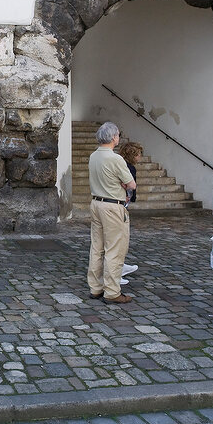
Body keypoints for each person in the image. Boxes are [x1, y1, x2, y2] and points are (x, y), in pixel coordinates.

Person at [85, 122, 136, 304]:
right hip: (113, 205)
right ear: (114, 137)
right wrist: (123, 185)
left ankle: (96, 287)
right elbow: (131, 184)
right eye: (118, 135)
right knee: (115, 248)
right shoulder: (115, 159)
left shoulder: (93, 156)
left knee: (97, 247)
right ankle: (112, 291)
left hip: (96, 202)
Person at [115, 141, 143, 285]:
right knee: (120, 239)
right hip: (121, 203)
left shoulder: (121, 164)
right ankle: (117, 270)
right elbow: (130, 185)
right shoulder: (129, 168)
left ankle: (120, 266)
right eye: (138, 154)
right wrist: (128, 196)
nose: (140, 157)